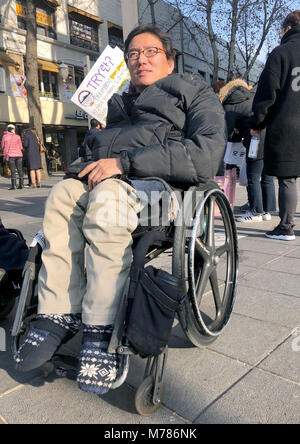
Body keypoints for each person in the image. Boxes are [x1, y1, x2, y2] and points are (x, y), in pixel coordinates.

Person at [14, 25, 227, 395]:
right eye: (133, 54)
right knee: (64, 193)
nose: (140, 59)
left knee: (108, 201)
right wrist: (81, 168)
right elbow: (93, 157)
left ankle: (102, 326)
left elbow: (206, 157)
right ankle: (57, 311)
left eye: (151, 52)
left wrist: (123, 164)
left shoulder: (195, 94)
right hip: (114, 186)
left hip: (164, 192)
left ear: (170, 59)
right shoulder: (117, 104)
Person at [250, 10, 300, 240]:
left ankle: (286, 226)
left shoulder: (281, 53)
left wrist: (258, 122)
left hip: (287, 126)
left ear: (288, 28)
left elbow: (267, 94)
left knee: (288, 178)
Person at [218, 79, 276, 223]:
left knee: (253, 176)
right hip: (269, 136)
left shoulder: (229, 105)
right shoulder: (252, 97)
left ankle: (255, 211)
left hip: (255, 139)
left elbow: (228, 132)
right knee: (266, 175)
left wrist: (237, 136)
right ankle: (266, 211)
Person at [1, 124, 24, 190]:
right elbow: (21, 147)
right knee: (20, 169)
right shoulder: (17, 136)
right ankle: (21, 184)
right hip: (19, 155)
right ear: (13, 129)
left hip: (11, 155)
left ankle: (14, 185)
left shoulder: (5, 137)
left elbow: (2, 146)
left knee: (13, 170)